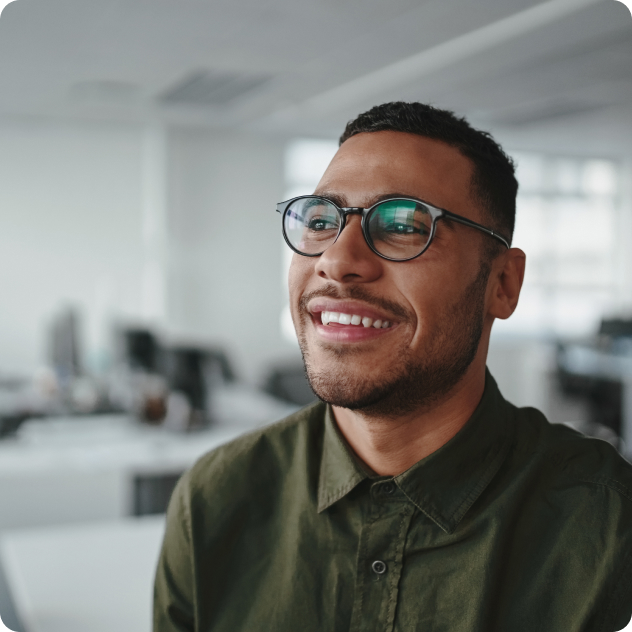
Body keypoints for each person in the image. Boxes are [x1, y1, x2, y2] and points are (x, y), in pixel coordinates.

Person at [153, 102, 632, 632]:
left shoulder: (608, 528)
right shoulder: (216, 498)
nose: (337, 260)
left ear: (503, 283)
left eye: (404, 224)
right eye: (319, 220)